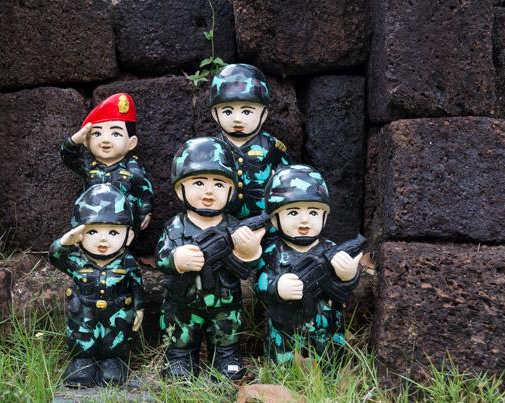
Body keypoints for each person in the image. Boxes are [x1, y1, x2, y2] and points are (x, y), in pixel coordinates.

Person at [155, 137, 265, 380]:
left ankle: (226, 357)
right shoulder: (176, 226)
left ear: (231, 191)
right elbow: (161, 256)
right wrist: (177, 259)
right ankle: (180, 358)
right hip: (185, 301)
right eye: (198, 182)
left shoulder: (233, 227)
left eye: (218, 184)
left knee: (225, 331)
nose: (208, 192)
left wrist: (247, 253)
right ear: (179, 188)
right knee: (181, 334)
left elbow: (243, 269)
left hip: (224, 302)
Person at [256, 165, 362, 364]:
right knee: (283, 363)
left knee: (331, 361)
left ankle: (330, 374)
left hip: (327, 328)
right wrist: (276, 287)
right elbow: (261, 282)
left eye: (313, 213)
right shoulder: (273, 251)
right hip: (285, 331)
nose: (304, 221)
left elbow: (345, 289)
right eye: (293, 213)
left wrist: (348, 275)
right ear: (275, 219)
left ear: (325, 216)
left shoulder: (331, 250)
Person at [49, 184, 144, 386]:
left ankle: (113, 363)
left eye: (113, 232)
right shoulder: (78, 260)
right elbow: (56, 258)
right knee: (82, 337)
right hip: (84, 309)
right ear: (79, 234)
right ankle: (82, 364)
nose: (103, 239)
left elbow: (137, 284)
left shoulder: (127, 262)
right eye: (92, 232)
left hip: (117, 310)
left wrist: (140, 308)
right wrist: (64, 243)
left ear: (129, 236)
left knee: (115, 340)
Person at [60, 92, 154, 230]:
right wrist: (74, 141)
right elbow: (68, 157)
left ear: (131, 142)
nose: (105, 140)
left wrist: (145, 210)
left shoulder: (133, 169)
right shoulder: (88, 167)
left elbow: (144, 191)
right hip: (91, 220)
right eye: (97, 134)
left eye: (116, 133)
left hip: (123, 223)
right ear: (87, 142)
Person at [209, 63, 291, 219]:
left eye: (247, 111)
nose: (237, 119)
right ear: (215, 113)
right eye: (227, 111)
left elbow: (288, 185)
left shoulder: (273, 147)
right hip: (222, 222)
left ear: (264, 113)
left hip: (264, 220)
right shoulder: (211, 148)